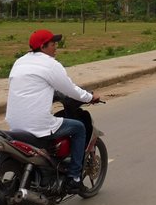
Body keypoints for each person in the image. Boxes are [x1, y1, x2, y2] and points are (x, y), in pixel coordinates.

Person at [6, 29, 100, 194]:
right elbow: (71, 90)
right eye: (52, 44)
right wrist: (89, 97)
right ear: (43, 46)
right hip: (38, 125)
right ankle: (74, 178)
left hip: (15, 124)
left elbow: (33, 89)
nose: (56, 46)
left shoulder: (19, 62)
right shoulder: (50, 64)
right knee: (79, 128)